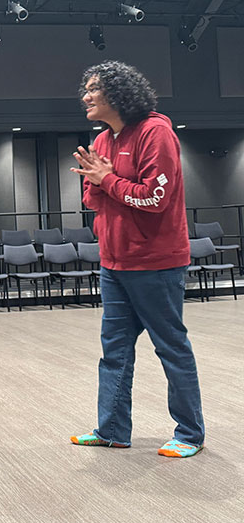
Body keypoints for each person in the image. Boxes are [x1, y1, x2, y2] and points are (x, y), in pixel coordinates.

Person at [69, 60, 205, 458]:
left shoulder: (155, 131)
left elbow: (154, 199)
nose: (86, 96)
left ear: (118, 91)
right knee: (114, 351)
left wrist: (107, 180)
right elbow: (92, 200)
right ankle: (112, 429)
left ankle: (189, 434)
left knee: (171, 347)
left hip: (156, 263)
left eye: (94, 88)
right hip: (114, 264)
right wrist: (100, 183)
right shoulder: (100, 142)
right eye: (86, 89)